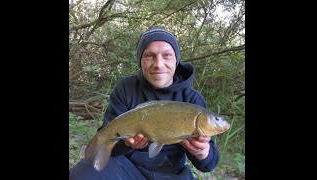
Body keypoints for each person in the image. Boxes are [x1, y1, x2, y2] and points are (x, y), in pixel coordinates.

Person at [70, 27, 220, 180]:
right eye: (149, 55)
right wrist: (127, 144)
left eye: (167, 55)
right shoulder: (125, 88)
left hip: (171, 174)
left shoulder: (193, 100)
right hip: (126, 168)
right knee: (82, 174)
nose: (158, 64)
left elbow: (208, 165)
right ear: (140, 60)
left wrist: (202, 152)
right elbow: (111, 141)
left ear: (176, 60)